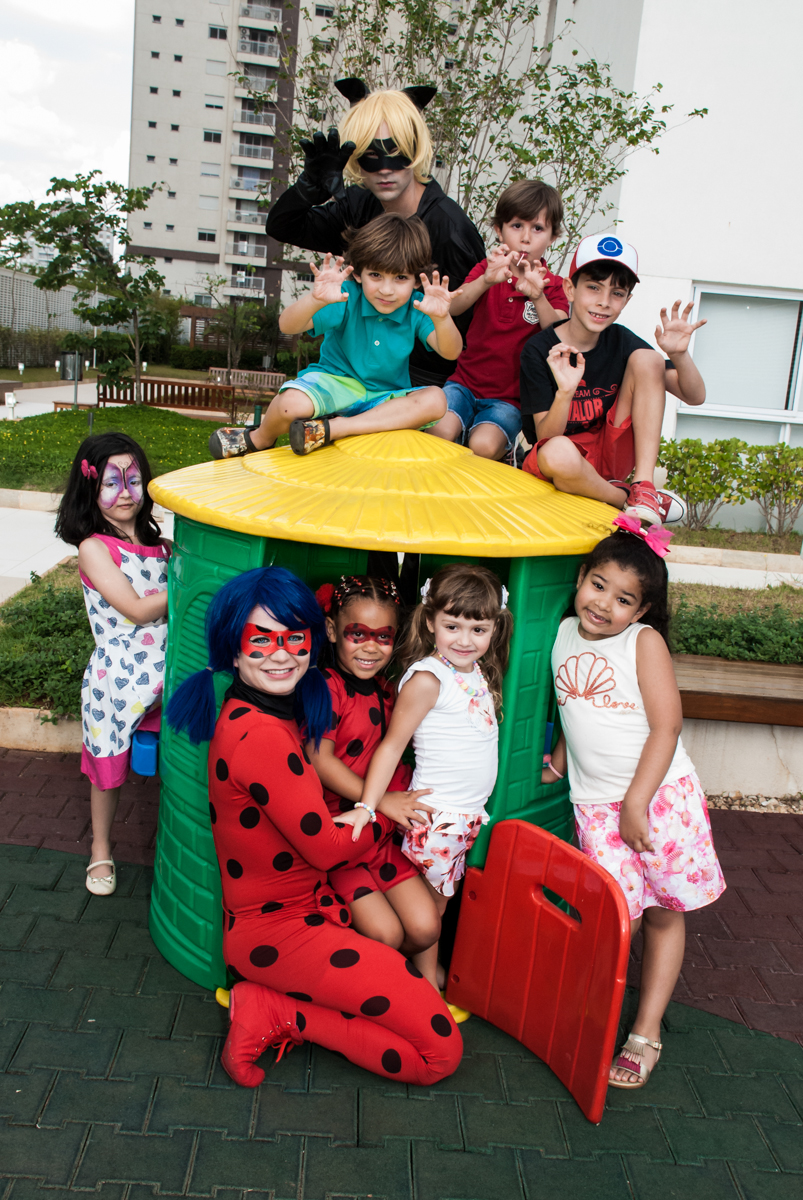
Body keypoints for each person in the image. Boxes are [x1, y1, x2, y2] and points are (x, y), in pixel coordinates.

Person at [166, 567, 462, 1088]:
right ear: (232, 651)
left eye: (292, 638)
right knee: (440, 1055)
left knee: (409, 1001)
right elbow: (328, 849)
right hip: (280, 933)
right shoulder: (259, 734)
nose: (281, 654)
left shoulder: (277, 713)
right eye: (260, 641)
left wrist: (365, 813)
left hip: (307, 914)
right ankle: (275, 1012)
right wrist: (380, 813)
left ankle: (269, 1005)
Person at [543, 522, 725, 1088]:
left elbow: (666, 726)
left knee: (664, 913)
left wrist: (637, 804)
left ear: (641, 611)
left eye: (623, 600)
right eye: (598, 586)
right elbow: (576, 706)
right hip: (597, 806)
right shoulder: (564, 631)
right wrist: (557, 759)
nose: (604, 604)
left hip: (660, 802)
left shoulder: (641, 643)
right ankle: (594, 1017)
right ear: (581, 580)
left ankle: (645, 1033)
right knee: (619, 916)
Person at [349, 565, 512, 991]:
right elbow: (391, 744)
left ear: (495, 627)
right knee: (431, 910)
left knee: (438, 903)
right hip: (436, 817)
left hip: (464, 818)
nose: (464, 639)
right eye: (452, 626)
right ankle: (420, 984)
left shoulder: (474, 671)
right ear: (430, 621)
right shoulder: (429, 678)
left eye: (478, 628)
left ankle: (417, 978)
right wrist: (368, 806)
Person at [264, 83, 485, 390]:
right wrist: (306, 189)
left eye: (396, 152)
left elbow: (469, 322)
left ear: (415, 147)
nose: (384, 170)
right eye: (370, 155)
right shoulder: (356, 205)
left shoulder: (449, 228)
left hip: (424, 377)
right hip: (351, 370)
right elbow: (283, 226)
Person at [210, 214, 460, 459]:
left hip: (385, 399)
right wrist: (314, 300)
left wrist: (441, 318)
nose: (387, 289)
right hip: (336, 384)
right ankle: (260, 438)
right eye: (376, 275)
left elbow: (451, 351)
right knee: (290, 405)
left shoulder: (417, 307)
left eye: (400, 278)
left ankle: (334, 428)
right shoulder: (346, 296)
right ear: (358, 273)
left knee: (437, 400)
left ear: (416, 281)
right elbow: (287, 325)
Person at [520, 233, 707, 524]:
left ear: (627, 300)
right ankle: (624, 499)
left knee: (650, 359)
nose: (604, 301)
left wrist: (680, 355)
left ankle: (643, 486)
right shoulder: (540, 349)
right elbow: (546, 438)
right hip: (559, 460)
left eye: (617, 293)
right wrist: (565, 393)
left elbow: (695, 396)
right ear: (570, 289)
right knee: (558, 453)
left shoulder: (621, 341)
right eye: (594, 288)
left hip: (608, 453)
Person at [55, 433, 170, 897]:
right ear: (90, 488)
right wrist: (197, 584)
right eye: (112, 482)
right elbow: (138, 609)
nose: (125, 492)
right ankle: (100, 849)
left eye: (134, 480)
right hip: (119, 678)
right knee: (108, 768)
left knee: (177, 761)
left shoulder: (160, 544)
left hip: (171, 671)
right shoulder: (94, 548)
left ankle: (173, 840)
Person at [307, 574, 440, 954]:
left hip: (380, 836)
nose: (371, 646)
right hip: (342, 836)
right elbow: (320, 760)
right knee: (386, 935)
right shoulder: (326, 687)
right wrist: (379, 802)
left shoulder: (388, 689)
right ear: (332, 630)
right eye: (357, 633)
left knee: (426, 926)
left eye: (383, 636)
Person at [430, 179, 568, 461]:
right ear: (499, 229)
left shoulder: (552, 285)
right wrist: (485, 280)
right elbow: (455, 307)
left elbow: (558, 333)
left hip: (510, 399)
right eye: (517, 226)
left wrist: (538, 297)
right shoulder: (487, 269)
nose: (526, 237)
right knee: (440, 432)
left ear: (553, 237)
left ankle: (506, 451)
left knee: (483, 447)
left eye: (538, 228)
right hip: (464, 383)